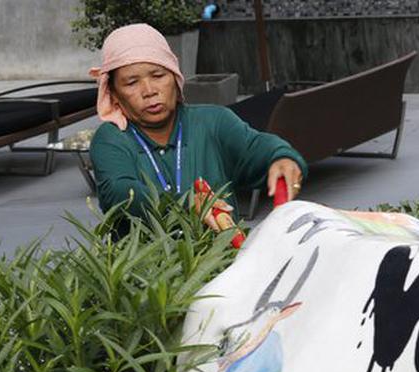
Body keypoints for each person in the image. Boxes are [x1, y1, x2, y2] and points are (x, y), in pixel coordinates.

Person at [88, 23, 306, 232]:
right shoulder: (111, 139)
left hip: (222, 263)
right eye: (131, 82)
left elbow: (255, 147)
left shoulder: (213, 121)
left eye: (158, 75)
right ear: (114, 94)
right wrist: (188, 204)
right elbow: (120, 193)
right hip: (147, 269)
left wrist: (281, 157)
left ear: (175, 77)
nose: (149, 90)